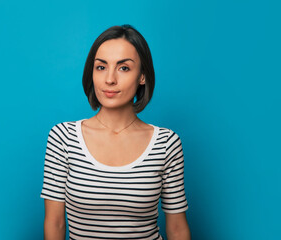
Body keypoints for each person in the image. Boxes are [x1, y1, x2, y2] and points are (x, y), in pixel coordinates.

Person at [40, 25, 191, 240]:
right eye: (101, 67)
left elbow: (177, 228)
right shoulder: (63, 137)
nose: (109, 79)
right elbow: (54, 224)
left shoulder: (166, 143)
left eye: (124, 68)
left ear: (142, 76)